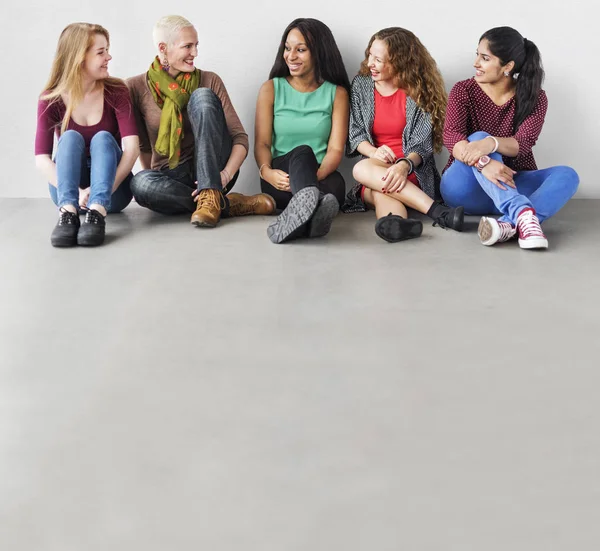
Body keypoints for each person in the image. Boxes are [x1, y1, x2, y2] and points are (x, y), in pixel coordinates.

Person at [128, 15, 275, 228]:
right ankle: (225, 204)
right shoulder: (135, 87)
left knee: (202, 96)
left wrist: (224, 176)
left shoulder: (209, 80)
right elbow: (143, 146)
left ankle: (210, 191)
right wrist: (155, 179)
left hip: (215, 170)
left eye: (196, 45)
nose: (195, 53)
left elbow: (239, 138)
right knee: (140, 183)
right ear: (163, 48)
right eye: (187, 46)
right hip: (172, 175)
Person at [441, 26, 579, 249]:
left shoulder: (535, 98)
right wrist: (483, 161)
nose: (476, 63)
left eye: (485, 58)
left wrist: (491, 143)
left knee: (568, 175)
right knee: (479, 137)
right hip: (464, 188)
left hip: (510, 182)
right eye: (477, 55)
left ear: (508, 66)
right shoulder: (463, 90)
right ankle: (522, 213)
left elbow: (523, 143)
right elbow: (452, 136)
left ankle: (508, 224)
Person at [344, 27, 463, 243]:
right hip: (375, 169)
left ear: (399, 61)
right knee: (366, 170)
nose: (370, 63)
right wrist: (374, 152)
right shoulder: (361, 85)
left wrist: (402, 166)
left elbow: (422, 146)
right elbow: (355, 134)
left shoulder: (419, 90)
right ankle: (432, 215)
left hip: (411, 171)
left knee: (373, 181)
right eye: (370, 55)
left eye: (378, 59)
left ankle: (400, 220)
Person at [35, 23, 139, 247]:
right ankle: (68, 214)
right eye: (101, 52)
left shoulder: (117, 91)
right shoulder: (50, 99)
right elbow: (41, 158)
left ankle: (98, 212)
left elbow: (132, 150)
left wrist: (100, 193)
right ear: (78, 58)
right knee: (70, 137)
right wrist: (79, 193)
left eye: (107, 50)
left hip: (114, 191)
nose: (109, 57)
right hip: (69, 192)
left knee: (103, 138)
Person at [255, 18, 350, 244]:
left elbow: (336, 149)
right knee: (302, 152)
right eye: (287, 48)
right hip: (281, 178)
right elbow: (262, 144)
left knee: (335, 188)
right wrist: (266, 172)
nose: (291, 56)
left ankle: (301, 218)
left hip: (320, 175)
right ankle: (310, 213)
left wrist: (308, 180)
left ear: (319, 52)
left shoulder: (337, 94)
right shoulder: (271, 89)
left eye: (301, 50)